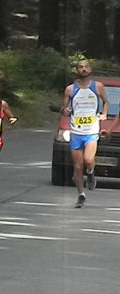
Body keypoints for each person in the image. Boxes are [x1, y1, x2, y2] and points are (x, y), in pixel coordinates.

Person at [61, 59, 108, 208]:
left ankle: (91, 172)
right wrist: (66, 111)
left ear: (90, 69)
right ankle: (81, 195)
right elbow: (64, 109)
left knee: (88, 160)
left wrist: (104, 114)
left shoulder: (97, 86)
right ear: (76, 70)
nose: (84, 69)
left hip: (92, 130)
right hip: (76, 131)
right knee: (77, 166)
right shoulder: (70, 89)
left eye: (86, 67)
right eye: (80, 67)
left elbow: (106, 102)